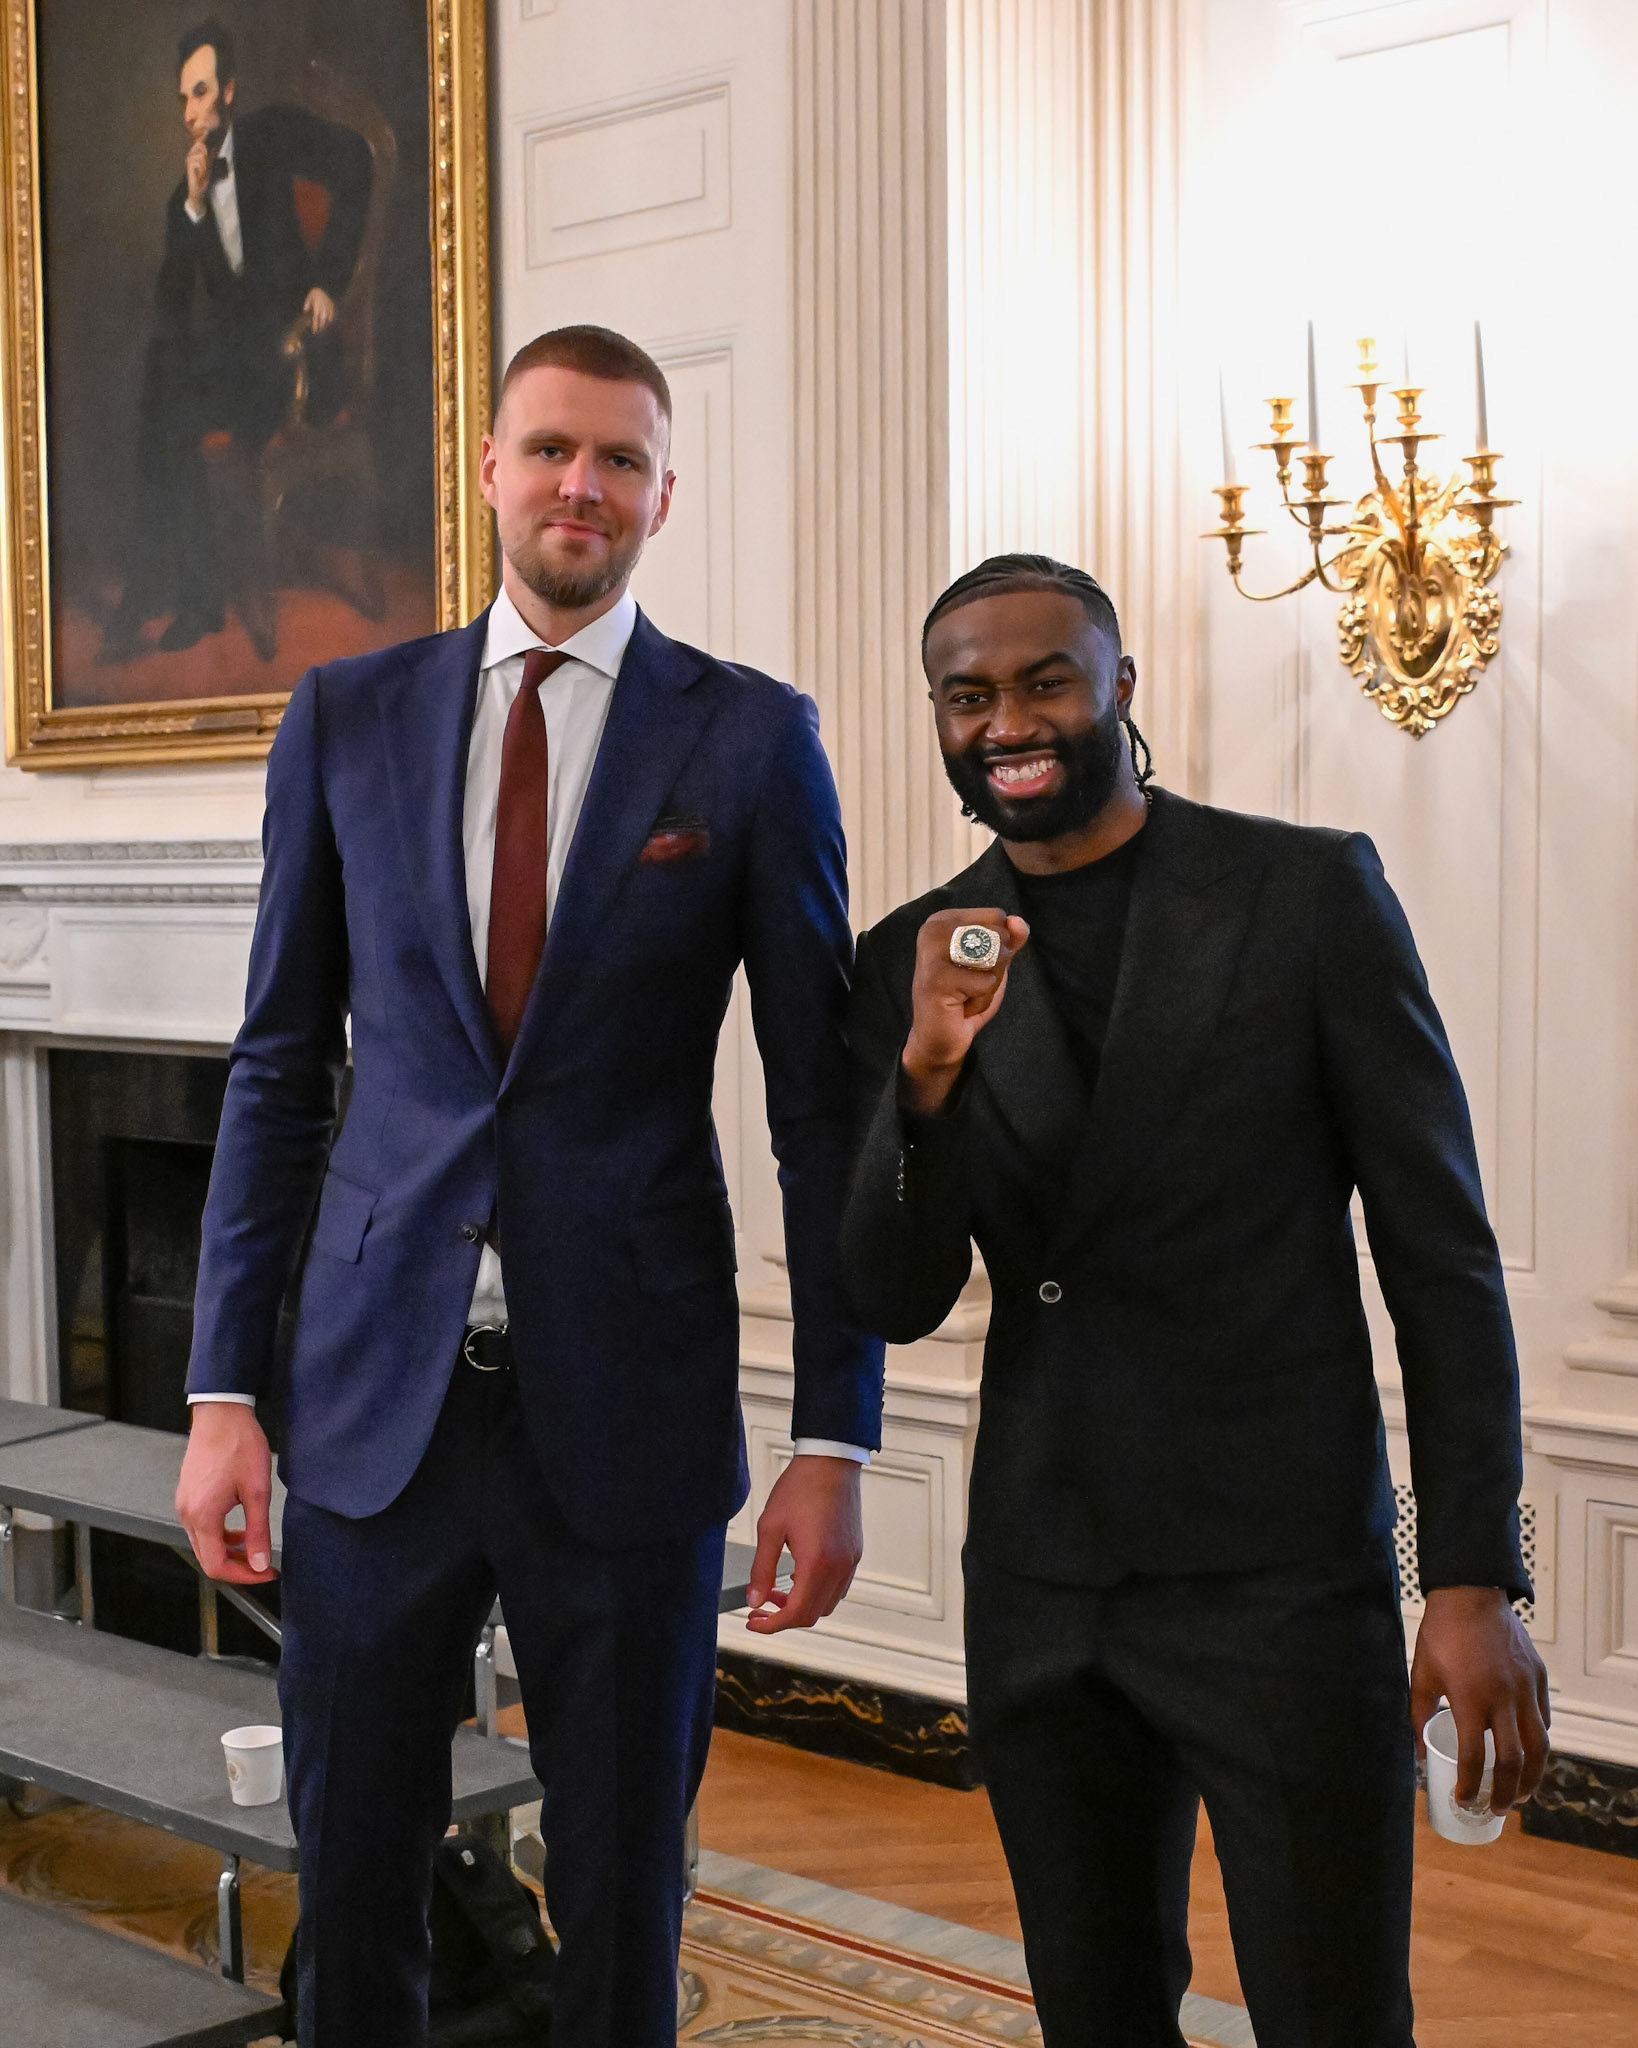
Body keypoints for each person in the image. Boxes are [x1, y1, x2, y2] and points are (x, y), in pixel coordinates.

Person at [175, 324, 884, 2048]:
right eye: (554, 447)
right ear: (488, 465)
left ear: (660, 495)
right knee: (352, 1866)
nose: (584, 484)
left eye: (621, 459)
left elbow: (818, 1113)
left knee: (627, 1878)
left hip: (625, 1413)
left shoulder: (749, 741)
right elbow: (280, 1066)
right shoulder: (346, 715)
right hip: (365, 1408)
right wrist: (220, 1388)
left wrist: (832, 1433)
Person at [840, 553, 1549, 2048]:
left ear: (1117, 691)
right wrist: (922, 1084)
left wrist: (1471, 1578)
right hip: (1043, 1577)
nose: (1005, 720)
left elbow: (1440, 1256)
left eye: (1042, 679)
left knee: (1332, 2011)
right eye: (965, 695)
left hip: (1277, 1575)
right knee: (1093, 2012)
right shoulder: (914, 958)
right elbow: (894, 1296)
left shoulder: (1299, 896)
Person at [102, 19, 372, 660]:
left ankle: (170, 594)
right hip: (238, 368)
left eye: (201, 93)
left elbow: (358, 161)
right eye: (183, 100)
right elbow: (169, 308)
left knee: (164, 396)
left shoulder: (272, 133)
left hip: (296, 353)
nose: (191, 112)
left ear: (228, 90)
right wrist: (193, 206)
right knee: (162, 379)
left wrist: (329, 281)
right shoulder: (184, 195)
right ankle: (188, 597)